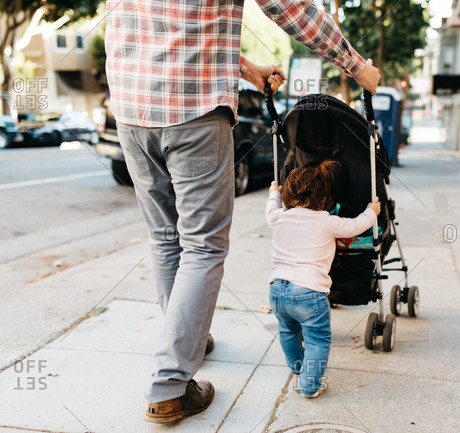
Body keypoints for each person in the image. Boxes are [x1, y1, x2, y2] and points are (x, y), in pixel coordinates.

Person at [104, 0, 380, 424]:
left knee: (164, 237)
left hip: (130, 107)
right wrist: (356, 65)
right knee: (202, 246)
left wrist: (244, 68)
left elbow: (163, 27)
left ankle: (189, 338)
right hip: (191, 108)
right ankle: (170, 386)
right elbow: (292, 8)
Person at [266, 161, 381, 398]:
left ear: (288, 192)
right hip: (308, 292)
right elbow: (355, 226)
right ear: (325, 198)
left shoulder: (279, 217)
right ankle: (309, 385)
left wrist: (273, 195)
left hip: (277, 289)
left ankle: (298, 366)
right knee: (317, 339)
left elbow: (270, 209)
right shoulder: (326, 220)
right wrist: (372, 211)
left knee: (288, 331)